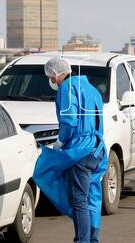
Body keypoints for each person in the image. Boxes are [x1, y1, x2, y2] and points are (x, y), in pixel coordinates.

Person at [33, 57, 107, 243]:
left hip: (79, 151)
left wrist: (60, 141)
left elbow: (69, 120)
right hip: (97, 150)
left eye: (50, 76)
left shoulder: (67, 88)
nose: (50, 80)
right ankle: (92, 239)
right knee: (93, 198)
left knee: (79, 201)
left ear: (55, 74)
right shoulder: (92, 90)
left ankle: (82, 240)